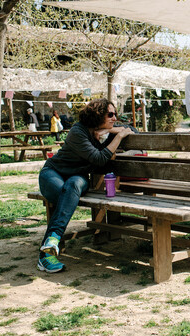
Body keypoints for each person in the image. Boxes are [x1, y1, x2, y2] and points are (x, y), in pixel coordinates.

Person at [37, 98, 133, 273]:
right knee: (63, 193)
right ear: (97, 115)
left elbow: (132, 130)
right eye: (110, 114)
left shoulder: (102, 133)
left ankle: (48, 249)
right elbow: (98, 158)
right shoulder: (78, 132)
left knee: (72, 186)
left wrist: (110, 129)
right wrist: (117, 135)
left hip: (77, 177)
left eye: (115, 115)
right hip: (54, 173)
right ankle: (49, 247)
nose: (114, 118)